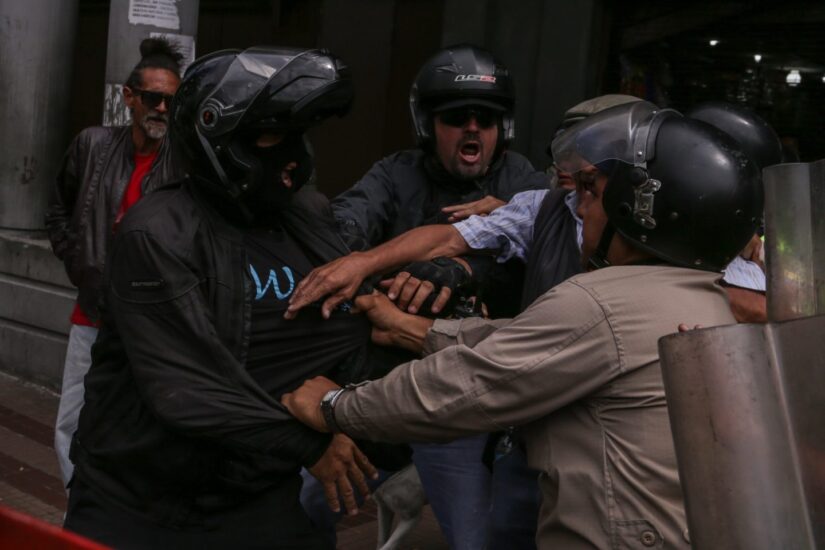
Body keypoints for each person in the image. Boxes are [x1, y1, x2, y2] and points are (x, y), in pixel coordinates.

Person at [282, 100, 764, 548]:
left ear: (639, 213)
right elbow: (535, 342)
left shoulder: (601, 301)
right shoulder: (708, 296)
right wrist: (417, 328)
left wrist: (333, 405)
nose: (581, 207)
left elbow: (459, 389)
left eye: (593, 194)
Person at [62, 46, 380, 549]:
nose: (290, 156)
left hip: (254, 493)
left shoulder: (306, 217)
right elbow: (186, 387)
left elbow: (354, 315)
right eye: (272, 136)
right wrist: (307, 442)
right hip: (141, 503)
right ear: (221, 137)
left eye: (296, 136)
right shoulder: (158, 233)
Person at [302, 44, 550, 550]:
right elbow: (338, 236)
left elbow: (539, 266)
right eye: (457, 118)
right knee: (307, 501)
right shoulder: (395, 173)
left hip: (462, 397)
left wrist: (462, 272)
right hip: (382, 378)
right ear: (428, 123)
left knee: (474, 536)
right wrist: (384, 283)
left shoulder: (524, 183)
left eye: (487, 118)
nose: (473, 129)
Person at [45, 38, 186, 488]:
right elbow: (58, 208)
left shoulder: (183, 162)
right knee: (72, 422)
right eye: (152, 98)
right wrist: (77, 259)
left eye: (171, 100)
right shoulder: (93, 145)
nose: (161, 108)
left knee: (143, 424)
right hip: (93, 315)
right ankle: (80, 512)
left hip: (151, 321)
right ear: (129, 97)